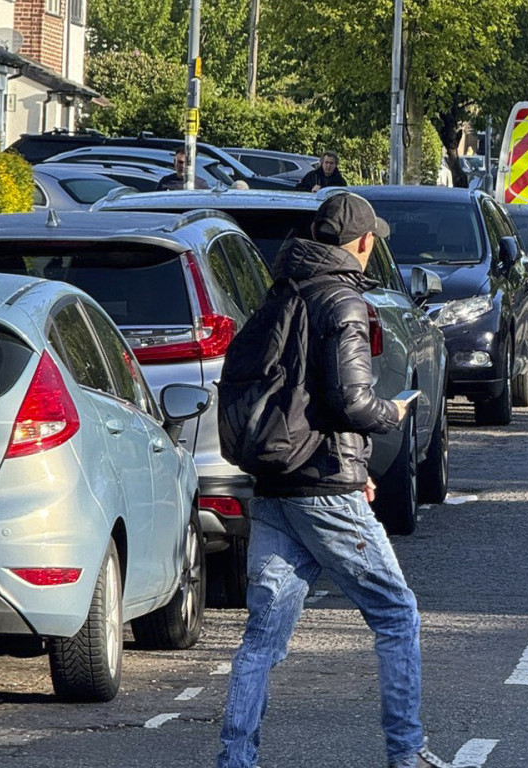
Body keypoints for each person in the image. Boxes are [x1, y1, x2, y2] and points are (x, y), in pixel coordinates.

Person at [216, 194, 450, 768]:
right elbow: (349, 400)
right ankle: (406, 752)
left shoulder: (280, 294)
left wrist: (355, 462)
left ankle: (235, 759)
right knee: (396, 613)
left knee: (261, 641)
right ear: (364, 243)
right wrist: (391, 416)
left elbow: (299, 398)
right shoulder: (344, 302)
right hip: (324, 487)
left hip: (274, 484)